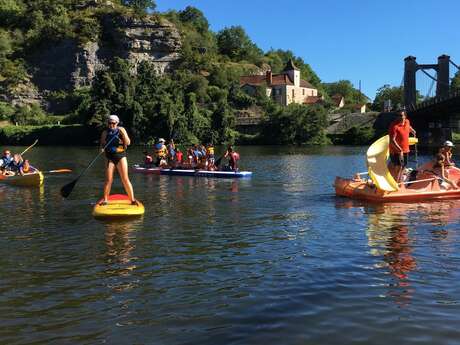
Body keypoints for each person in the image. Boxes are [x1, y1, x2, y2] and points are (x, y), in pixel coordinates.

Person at [99, 114, 138, 206]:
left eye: (113, 123)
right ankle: (105, 200)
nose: (111, 125)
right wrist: (101, 149)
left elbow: (128, 143)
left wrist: (123, 134)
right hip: (109, 157)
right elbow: (102, 144)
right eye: (109, 123)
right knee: (108, 180)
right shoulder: (105, 132)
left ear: (117, 123)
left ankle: (132, 199)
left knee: (125, 178)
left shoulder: (121, 130)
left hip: (121, 156)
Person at [388, 110, 416, 182]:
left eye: (401, 115)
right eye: (398, 115)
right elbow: (392, 140)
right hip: (396, 150)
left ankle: (399, 181)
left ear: (405, 116)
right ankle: (396, 184)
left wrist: (412, 130)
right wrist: (400, 150)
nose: (399, 117)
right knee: (399, 167)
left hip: (406, 149)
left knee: (403, 166)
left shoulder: (407, 121)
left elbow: (408, 126)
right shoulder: (394, 126)